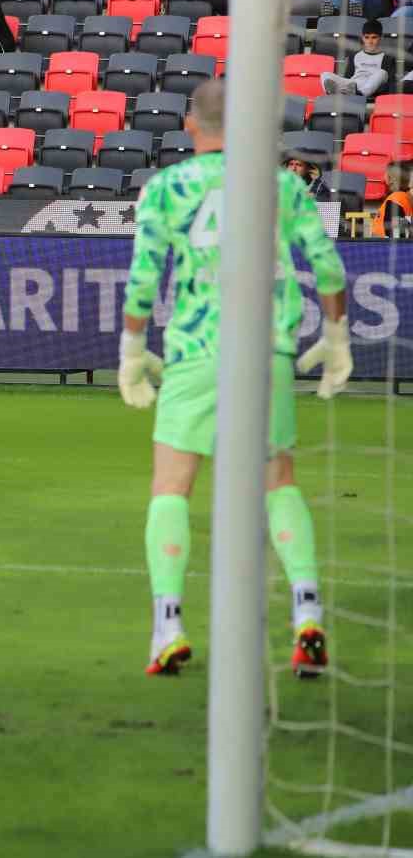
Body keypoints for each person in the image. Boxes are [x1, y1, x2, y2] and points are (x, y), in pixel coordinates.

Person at [117, 80, 348, 679]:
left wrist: (133, 350)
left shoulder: (168, 187)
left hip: (196, 350)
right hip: (266, 348)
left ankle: (168, 624)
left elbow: (144, 277)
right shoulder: (281, 184)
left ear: (191, 127)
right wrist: (337, 335)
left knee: (172, 487)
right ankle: (307, 610)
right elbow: (325, 263)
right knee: (278, 481)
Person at [320, 19, 389, 96]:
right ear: (362, 38)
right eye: (367, 37)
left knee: (382, 73)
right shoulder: (355, 55)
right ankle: (335, 93)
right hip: (353, 85)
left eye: (374, 37)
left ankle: (360, 94)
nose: (370, 41)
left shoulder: (386, 57)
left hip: (370, 86)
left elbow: (386, 82)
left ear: (381, 38)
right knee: (325, 74)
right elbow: (347, 77)